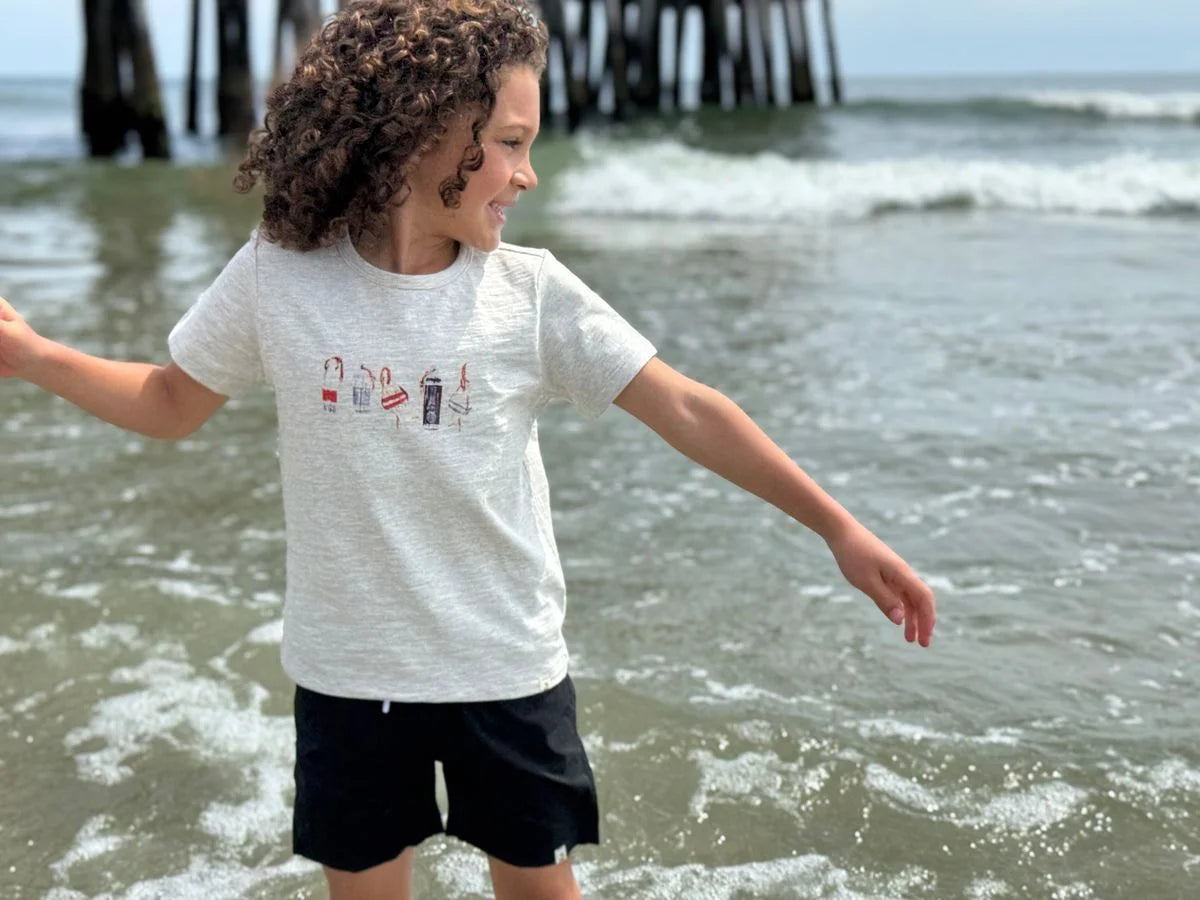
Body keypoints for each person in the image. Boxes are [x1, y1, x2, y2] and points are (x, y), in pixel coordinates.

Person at [0, 0, 936, 897]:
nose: (529, 174)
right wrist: (36, 356)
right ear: (422, 133)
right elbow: (169, 401)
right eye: (513, 144)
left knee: (538, 888)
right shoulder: (280, 275)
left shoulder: (528, 293)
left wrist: (836, 528)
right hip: (347, 672)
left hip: (504, 666)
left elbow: (686, 407)